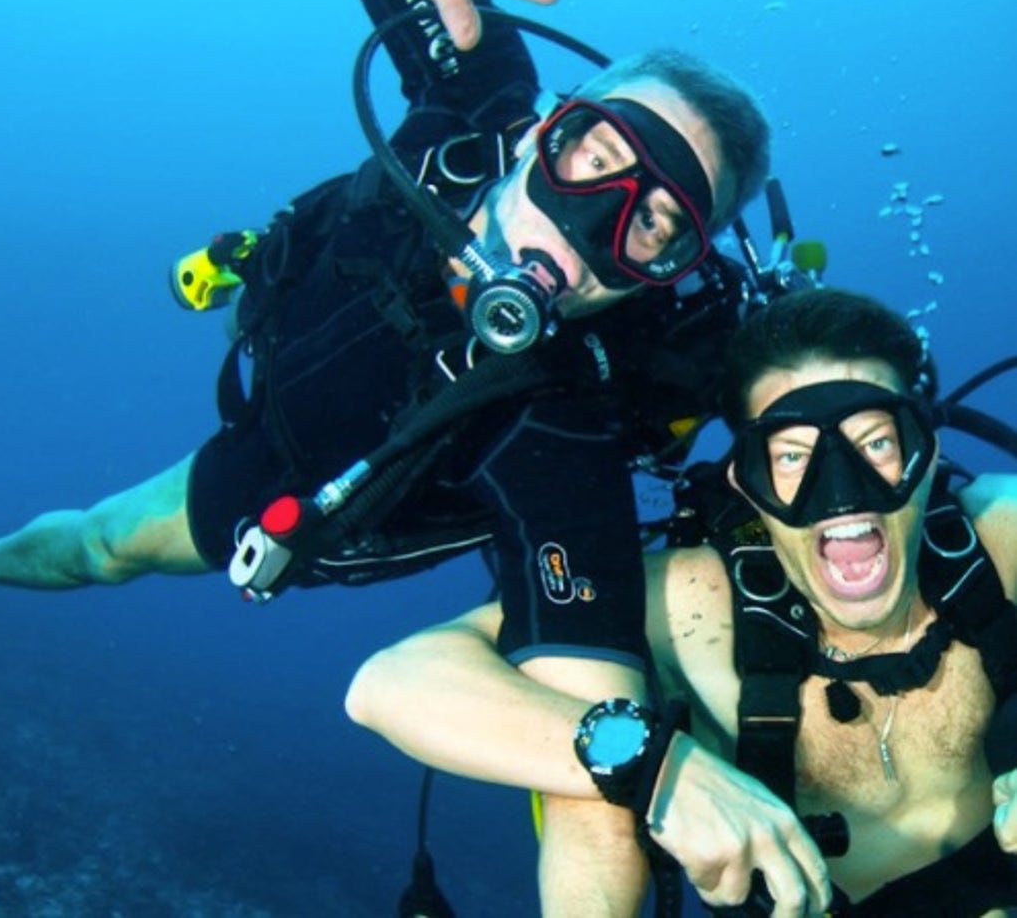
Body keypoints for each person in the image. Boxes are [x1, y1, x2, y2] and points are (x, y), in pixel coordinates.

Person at [0, 0, 774, 911]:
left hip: (319, 507)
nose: (592, 220)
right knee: (100, 543)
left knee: (116, 544)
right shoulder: (472, 99)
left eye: (653, 224)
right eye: (595, 155)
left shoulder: (559, 434)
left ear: (666, 276)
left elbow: (591, 778)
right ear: (542, 128)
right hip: (271, 414)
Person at [346, 287, 1017, 916]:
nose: (842, 493)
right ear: (745, 482)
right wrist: (656, 765)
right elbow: (389, 683)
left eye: (875, 443)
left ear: (925, 453)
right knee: (586, 779)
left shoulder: (1001, 537)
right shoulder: (695, 606)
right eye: (791, 457)